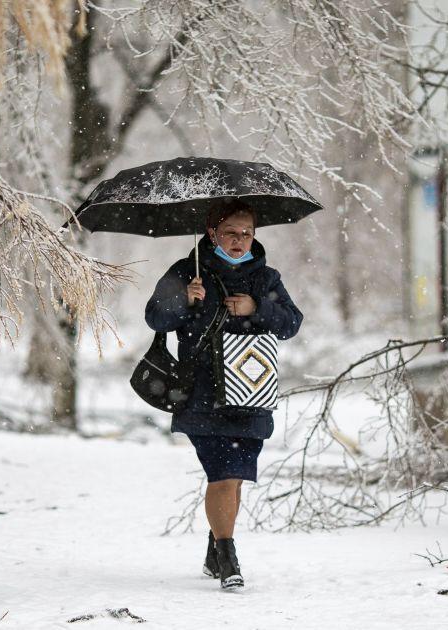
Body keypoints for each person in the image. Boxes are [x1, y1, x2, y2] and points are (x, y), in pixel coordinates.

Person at [145, 202, 303, 589]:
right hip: (202, 395)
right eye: (230, 232)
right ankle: (229, 557)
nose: (239, 240)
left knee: (234, 480)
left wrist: (258, 307)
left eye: (246, 232)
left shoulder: (266, 278)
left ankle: (214, 550)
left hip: (250, 393)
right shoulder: (187, 270)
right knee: (223, 474)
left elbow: (292, 323)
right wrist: (184, 298)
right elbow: (155, 317)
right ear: (212, 232)